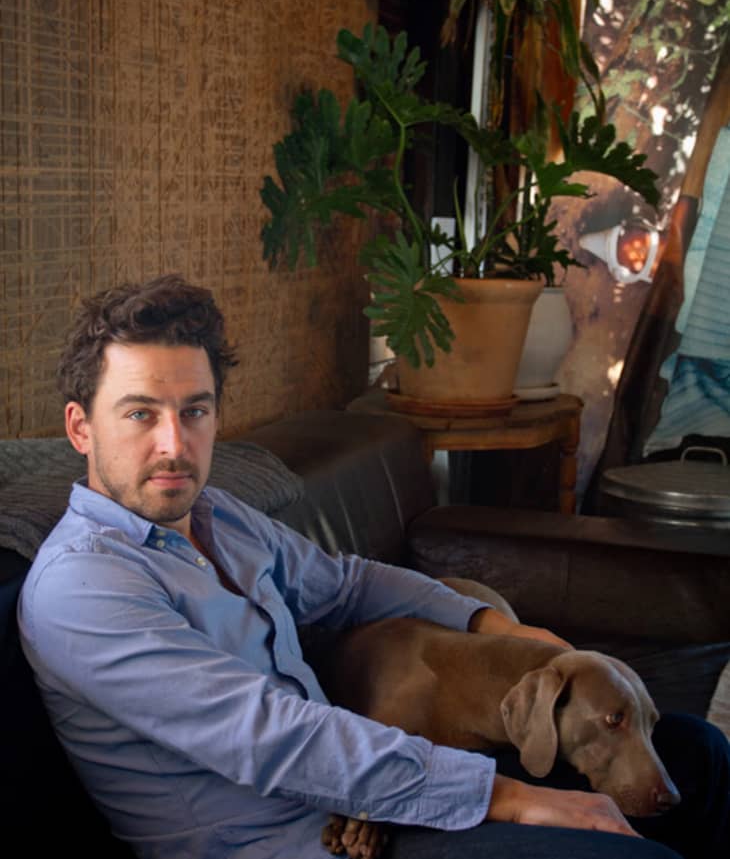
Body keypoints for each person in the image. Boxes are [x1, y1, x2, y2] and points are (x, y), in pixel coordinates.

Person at [18, 274, 729, 859]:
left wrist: (501, 628)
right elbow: (272, 734)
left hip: (368, 791)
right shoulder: (81, 588)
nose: (174, 444)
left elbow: (351, 584)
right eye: (140, 414)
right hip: (288, 839)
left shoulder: (217, 514)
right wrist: (517, 796)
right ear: (81, 426)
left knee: (695, 753)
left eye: (194, 411)